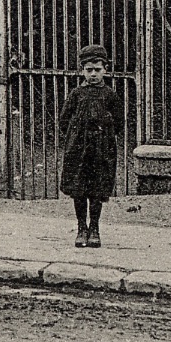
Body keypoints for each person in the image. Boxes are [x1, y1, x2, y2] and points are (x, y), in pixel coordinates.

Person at [59, 43, 122, 248]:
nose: (93, 74)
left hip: (101, 150)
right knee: (79, 190)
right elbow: (64, 120)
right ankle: (81, 228)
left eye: (97, 70)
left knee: (96, 189)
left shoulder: (109, 95)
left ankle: (94, 228)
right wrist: (75, 137)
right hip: (78, 149)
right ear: (82, 70)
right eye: (89, 70)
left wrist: (105, 136)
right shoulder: (77, 94)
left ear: (105, 70)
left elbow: (119, 122)